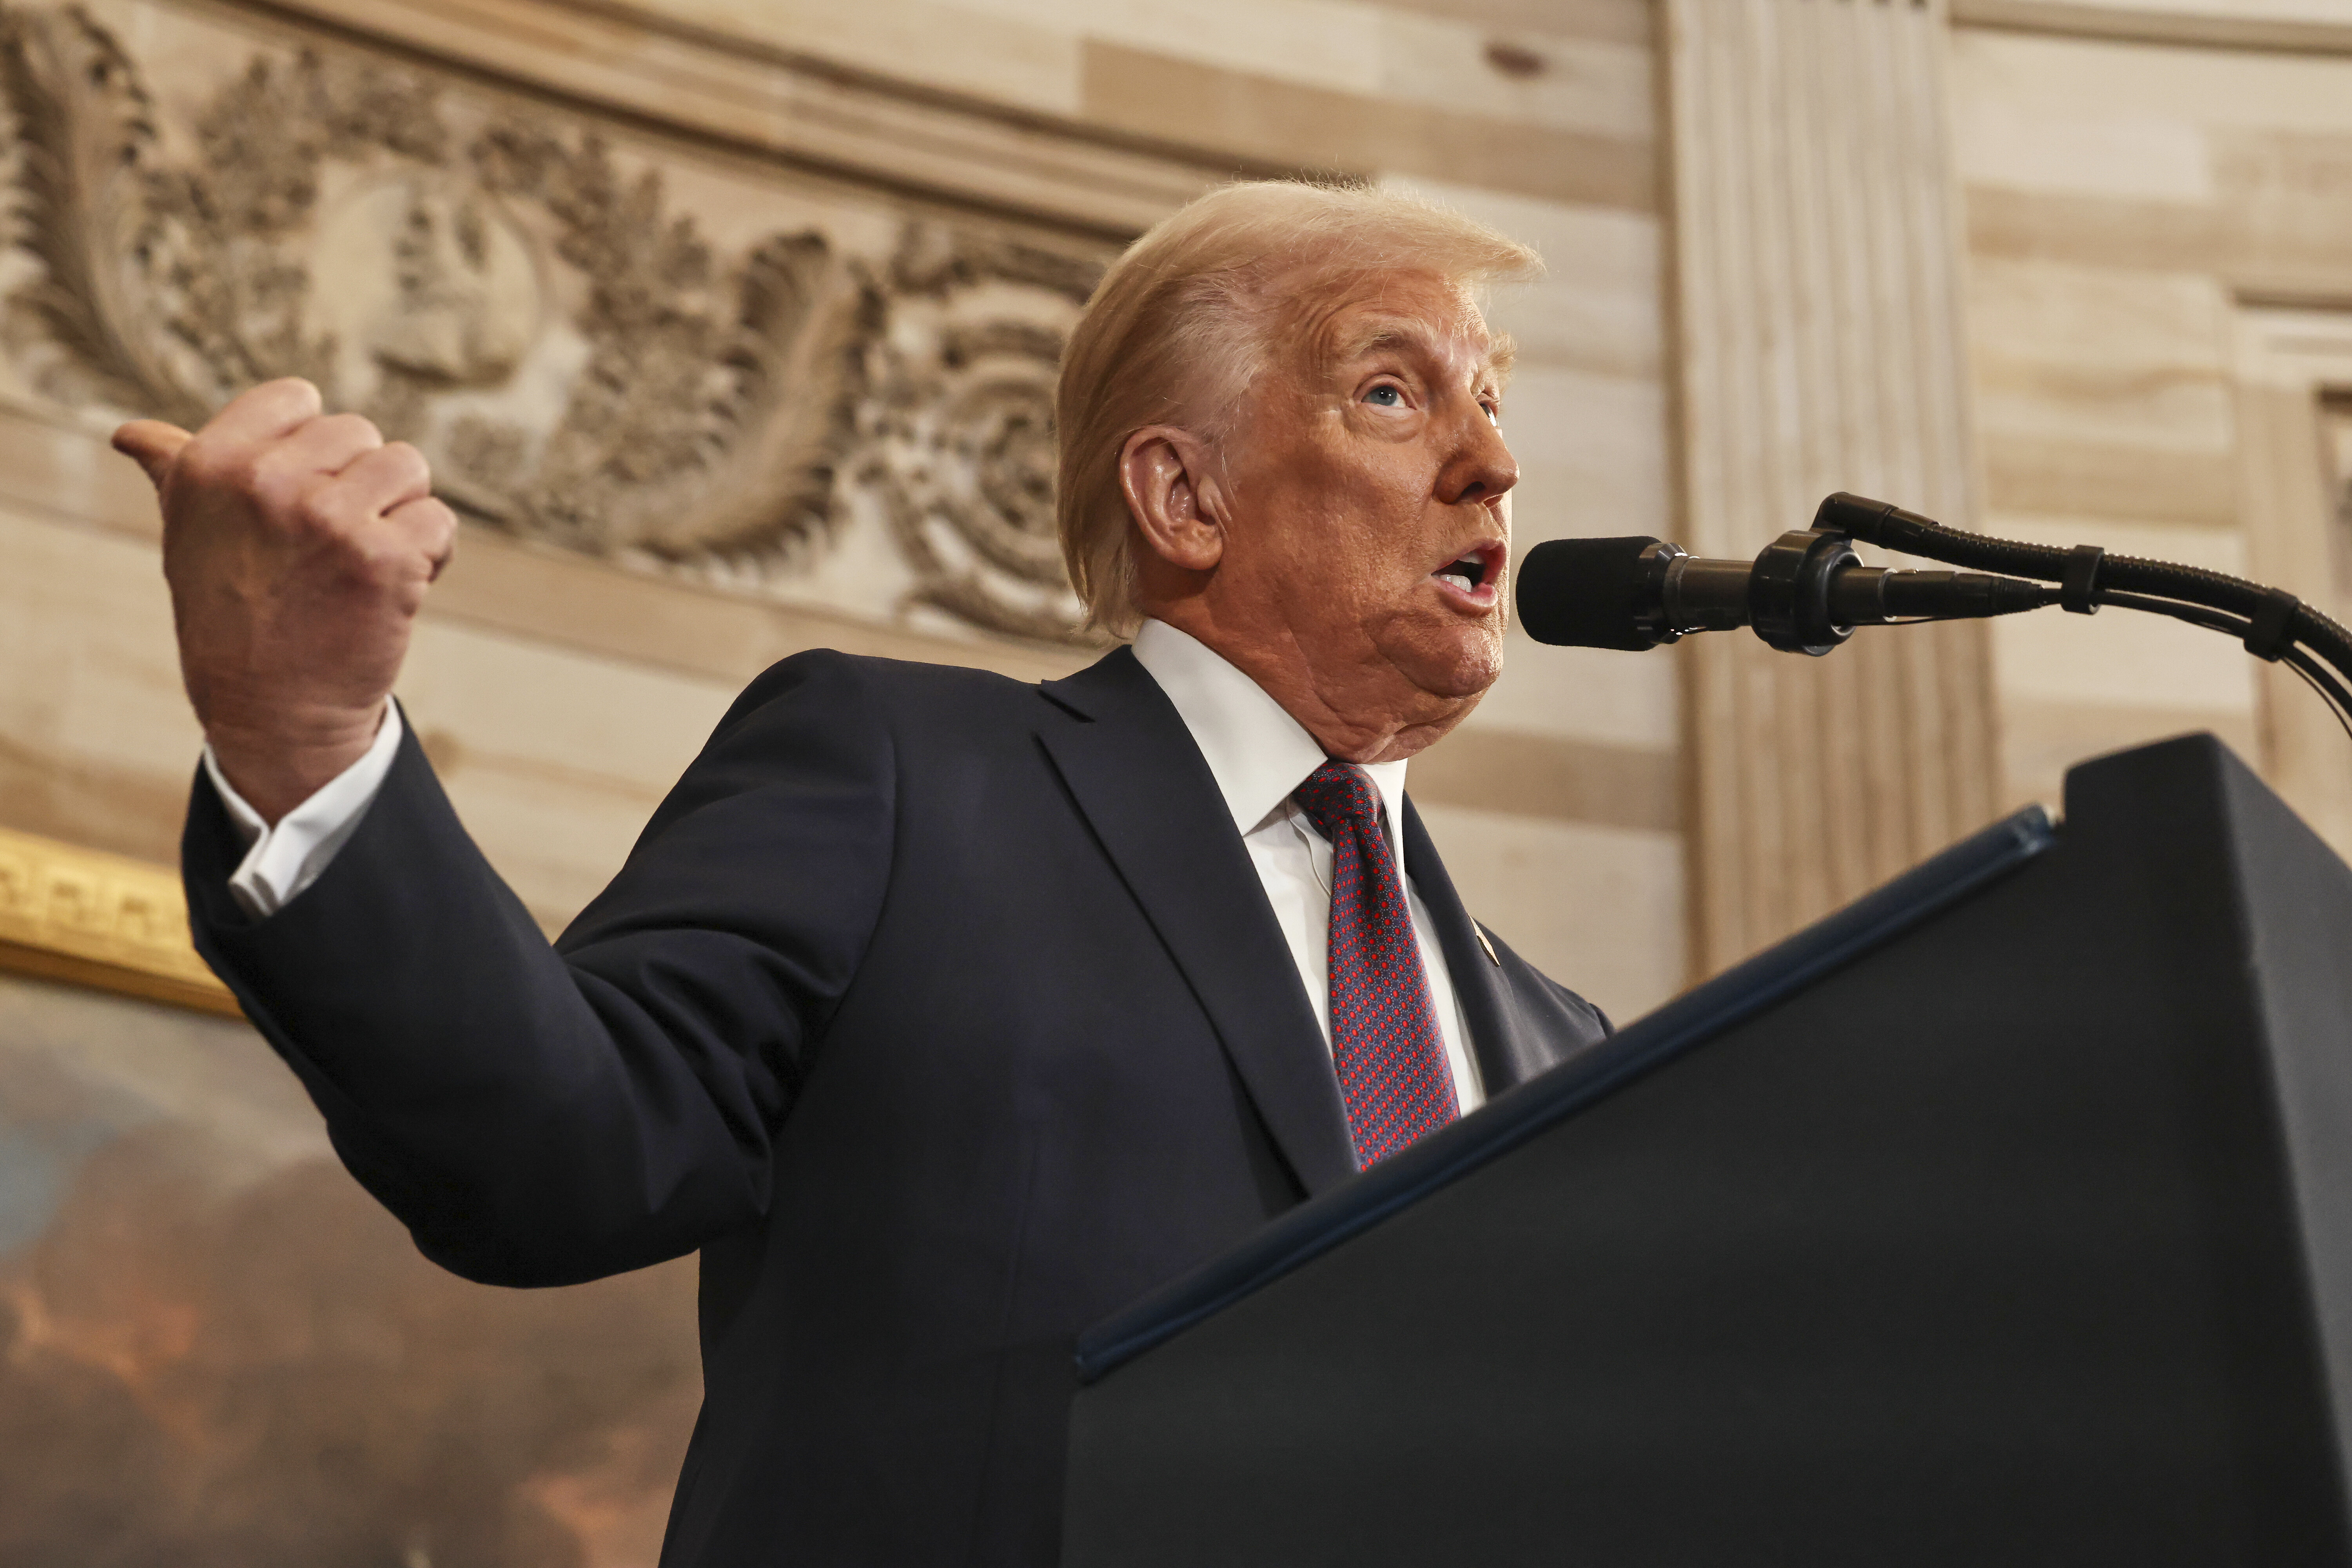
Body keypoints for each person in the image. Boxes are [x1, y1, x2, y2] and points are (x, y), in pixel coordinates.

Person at [114, 180, 1611, 1565]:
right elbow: (558, 1152)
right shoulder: (907, 777)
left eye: (1486, 400)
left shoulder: (1565, 1049)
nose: (1495, 462)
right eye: (1394, 394)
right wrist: (307, 743)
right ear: (1184, 498)